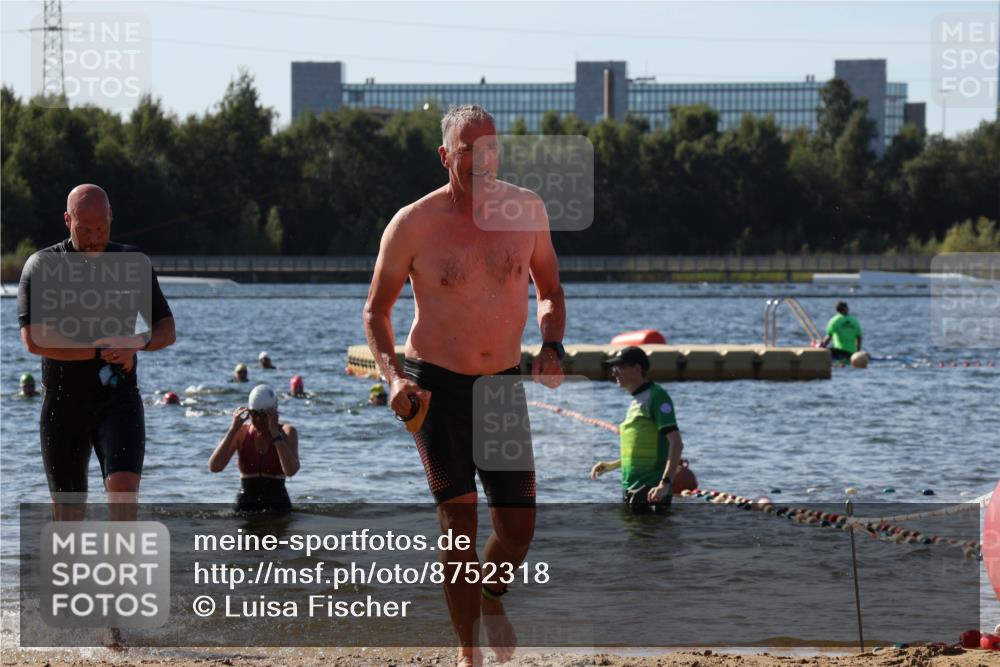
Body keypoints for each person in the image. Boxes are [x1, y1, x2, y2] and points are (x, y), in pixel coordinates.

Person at [363, 104, 565, 667]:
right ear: (445, 156)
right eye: (469, 151)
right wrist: (393, 378)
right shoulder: (413, 224)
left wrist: (551, 345)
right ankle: (468, 651)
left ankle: (491, 595)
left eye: (491, 148)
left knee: (518, 529)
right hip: (435, 387)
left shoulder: (526, 211)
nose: (483, 161)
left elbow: (549, 289)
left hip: (500, 386)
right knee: (459, 523)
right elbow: (376, 313)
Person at [17, 184, 176, 522]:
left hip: (119, 400)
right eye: (85, 229)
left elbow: (167, 329)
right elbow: (34, 340)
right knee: (68, 517)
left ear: (111, 217)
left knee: (124, 501)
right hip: (63, 405)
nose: (94, 238)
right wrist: (99, 351)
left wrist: (137, 342)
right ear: (67, 221)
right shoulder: (42, 266)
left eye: (101, 228)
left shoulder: (132, 263)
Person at [590, 347, 686, 514]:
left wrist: (665, 484)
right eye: (614, 368)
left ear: (637, 368)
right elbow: (642, 449)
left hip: (651, 491)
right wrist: (612, 466)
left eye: (620, 367)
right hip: (632, 487)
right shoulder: (636, 401)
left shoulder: (657, 396)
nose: (614, 372)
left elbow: (676, 443)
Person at [208, 384, 299, 513]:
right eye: (254, 414)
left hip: (278, 506)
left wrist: (275, 434)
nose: (258, 419)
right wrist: (233, 430)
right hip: (245, 506)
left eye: (264, 415)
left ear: (274, 412)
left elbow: (290, 471)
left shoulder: (287, 432)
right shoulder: (241, 432)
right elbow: (214, 467)